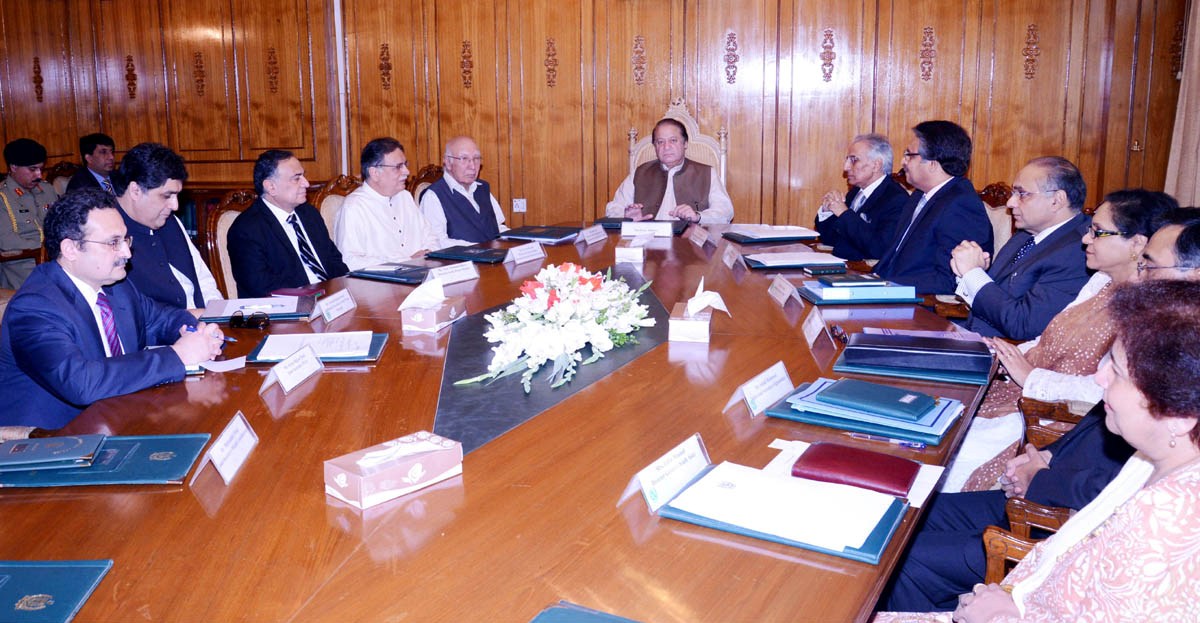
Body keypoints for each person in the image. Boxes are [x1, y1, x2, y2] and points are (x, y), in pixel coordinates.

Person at [879, 280, 1200, 622]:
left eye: (1117, 372)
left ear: (1179, 416)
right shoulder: (1152, 461)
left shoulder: (1166, 521)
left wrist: (998, 617)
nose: (1100, 378)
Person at [941, 190, 1176, 493]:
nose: (1085, 240)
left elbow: (1103, 388)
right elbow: (1051, 335)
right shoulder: (1100, 280)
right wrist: (1003, 353)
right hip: (1023, 383)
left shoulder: (1150, 310)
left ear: (1137, 243)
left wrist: (1030, 377)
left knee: (956, 454)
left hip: (1057, 413)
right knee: (944, 417)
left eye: (1097, 232)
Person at [0, 189, 225, 431]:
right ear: (71, 249)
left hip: (120, 417)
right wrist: (178, 355)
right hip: (53, 442)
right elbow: (81, 383)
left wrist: (196, 333)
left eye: (125, 240)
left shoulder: (116, 286)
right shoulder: (35, 307)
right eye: (113, 243)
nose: (127, 253)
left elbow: (160, 319)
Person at [952, 157, 1092, 340]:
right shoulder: (1025, 235)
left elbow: (1023, 325)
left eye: (1022, 194)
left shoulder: (1078, 251)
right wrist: (976, 271)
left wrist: (973, 274)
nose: (1010, 203)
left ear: (1057, 200)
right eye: (1013, 193)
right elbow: (998, 296)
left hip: (1005, 355)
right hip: (972, 337)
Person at [873, 120, 993, 294]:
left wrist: (886, 286)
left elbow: (948, 279)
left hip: (921, 305)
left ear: (933, 164)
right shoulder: (919, 195)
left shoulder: (961, 205)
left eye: (909, 155)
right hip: (892, 291)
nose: (902, 161)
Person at [112, 142, 221, 310]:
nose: (175, 206)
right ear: (135, 191)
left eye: (177, 196)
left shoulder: (170, 220)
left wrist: (218, 315)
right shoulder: (106, 234)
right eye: (167, 196)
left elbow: (203, 279)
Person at [228, 149, 349, 297]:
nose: (306, 183)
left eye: (304, 176)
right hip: (286, 310)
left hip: (331, 300)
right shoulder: (246, 230)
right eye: (296, 178)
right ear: (271, 187)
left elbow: (334, 260)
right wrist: (315, 294)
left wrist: (342, 292)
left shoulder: (309, 214)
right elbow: (261, 286)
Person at [334, 137, 439, 271]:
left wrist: (428, 252)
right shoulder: (354, 207)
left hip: (422, 274)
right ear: (375, 173)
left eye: (405, 164)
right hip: (380, 285)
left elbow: (431, 236)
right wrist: (405, 262)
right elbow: (350, 260)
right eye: (398, 167)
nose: (406, 172)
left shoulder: (405, 197)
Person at [604, 118, 734, 225]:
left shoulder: (706, 173)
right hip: (647, 243)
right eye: (660, 142)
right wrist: (626, 217)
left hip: (691, 246)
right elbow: (613, 208)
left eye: (673, 140)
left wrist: (698, 216)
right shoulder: (640, 173)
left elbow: (725, 212)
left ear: (685, 143)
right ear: (655, 146)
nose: (666, 147)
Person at [814, 133, 909, 260]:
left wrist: (843, 213)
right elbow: (831, 239)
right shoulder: (855, 192)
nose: (846, 167)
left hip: (866, 272)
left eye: (853, 160)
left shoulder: (896, 199)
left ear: (876, 165)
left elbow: (879, 249)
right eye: (847, 160)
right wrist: (827, 211)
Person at [419, 136, 509, 247]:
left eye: (476, 158)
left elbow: (498, 227)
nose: (472, 166)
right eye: (464, 158)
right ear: (447, 162)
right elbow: (437, 242)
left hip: (493, 259)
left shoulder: (483, 188)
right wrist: (478, 249)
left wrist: (519, 241)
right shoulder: (433, 196)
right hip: (462, 262)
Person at [0, 138, 59, 289]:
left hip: (57, 258)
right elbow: (7, 242)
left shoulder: (47, 190)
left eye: (41, 169)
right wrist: (48, 249)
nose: (39, 175)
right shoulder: (3, 197)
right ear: (13, 167)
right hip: (24, 264)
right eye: (32, 169)